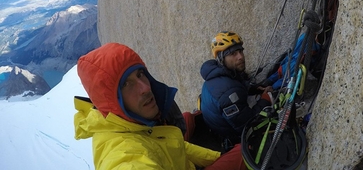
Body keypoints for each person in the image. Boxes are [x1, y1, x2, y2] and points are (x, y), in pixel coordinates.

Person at [74, 42, 246, 170]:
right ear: (111, 102)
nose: (146, 88)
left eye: (140, 74)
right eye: (127, 84)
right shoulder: (122, 154)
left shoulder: (132, 124)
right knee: (243, 153)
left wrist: (217, 157)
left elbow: (175, 145)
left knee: (187, 118)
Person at [200, 31, 272, 146]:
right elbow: (248, 124)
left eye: (240, 51)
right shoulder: (227, 91)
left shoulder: (219, 74)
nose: (240, 57)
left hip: (221, 125)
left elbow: (237, 85)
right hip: (234, 137)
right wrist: (265, 100)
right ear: (221, 58)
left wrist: (253, 89)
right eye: (233, 54)